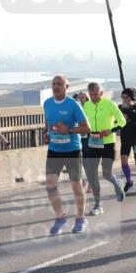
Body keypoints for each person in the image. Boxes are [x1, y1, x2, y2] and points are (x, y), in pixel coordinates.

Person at [44, 75, 91, 235]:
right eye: (54, 84)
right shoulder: (48, 103)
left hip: (72, 150)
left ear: (67, 87)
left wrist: (69, 130)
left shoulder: (73, 104)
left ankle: (81, 218)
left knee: (76, 186)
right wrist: (47, 133)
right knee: (50, 186)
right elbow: (48, 122)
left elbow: (86, 128)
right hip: (54, 150)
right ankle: (60, 217)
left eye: (59, 84)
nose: (56, 86)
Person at [82, 82, 128, 215]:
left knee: (106, 174)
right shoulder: (87, 105)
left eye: (96, 94)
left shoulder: (110, 104)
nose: (93, 97)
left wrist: (112, 130)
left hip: (107, 143)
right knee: (92, 174)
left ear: (101, 93)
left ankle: (116, 182)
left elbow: (122, 121)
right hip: (93, 142)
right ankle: (98, 205)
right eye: (91, 95)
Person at [118, 88, 136, 194]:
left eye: (126, 97)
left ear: (131, 98)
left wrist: (129, 120)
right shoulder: (120, 108)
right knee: (123, 161)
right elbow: (118, 122)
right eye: (123, 97)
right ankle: (129, 181)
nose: (124, 99)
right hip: (125, 138)